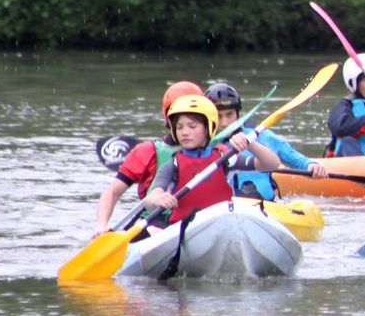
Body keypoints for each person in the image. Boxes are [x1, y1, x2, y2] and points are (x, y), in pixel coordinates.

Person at [137, 95, 283, 230]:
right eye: (179, 127)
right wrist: (159, 199)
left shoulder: (225, 159)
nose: (184, 132)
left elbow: (271, 164)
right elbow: (150, 200)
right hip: (185, 231)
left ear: (208, 128)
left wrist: (249, 143)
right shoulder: (172, 165)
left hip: (222, 226)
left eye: (192, 126)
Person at [92, 80, 202, 236]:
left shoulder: (217, 149)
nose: (185, 129)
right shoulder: (147, 151)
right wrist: (101, 225)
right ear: (168, 119)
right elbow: (112, 192)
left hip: (200, 221)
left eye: (193, 120)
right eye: (178, 118)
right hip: (156, 223)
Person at [204, 82, 327, 199]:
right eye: (218, 116)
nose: (225, 123)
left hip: (264, 207)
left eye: (229, 114)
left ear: (238, 113)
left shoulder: (262, 136)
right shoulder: (201, 144)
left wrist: (311, 166)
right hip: (223, 208)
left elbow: (295, 158)